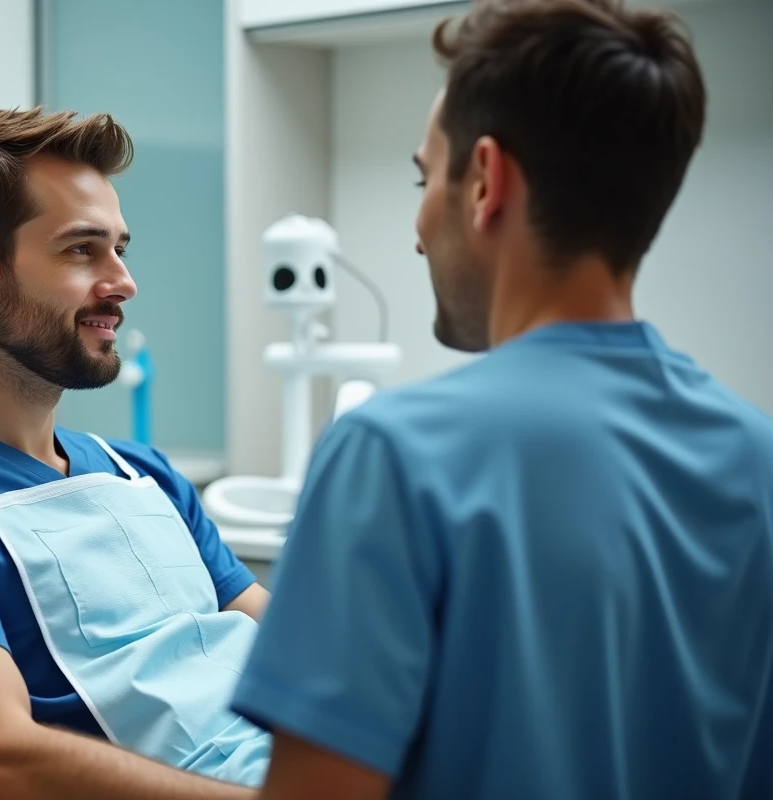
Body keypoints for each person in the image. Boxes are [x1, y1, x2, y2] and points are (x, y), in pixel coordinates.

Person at [232, 0, 773, 798]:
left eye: (425, 178)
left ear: (486, 181)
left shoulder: (391, 456)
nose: (418, 231)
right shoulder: (756, 459)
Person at [0, 108, 272, 800]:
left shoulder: (141, 473)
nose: (122, 282)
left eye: (121, 248)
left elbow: (287, 648)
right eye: (81, 250)